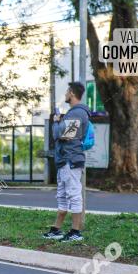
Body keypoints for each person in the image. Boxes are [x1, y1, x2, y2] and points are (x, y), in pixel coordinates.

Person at [42, 82, 92, 243]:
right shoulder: (73, 113)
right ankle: (56, 229)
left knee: (74, 194)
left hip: (70, 159)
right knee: (62, 195)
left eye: (66, 92)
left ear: (71, 93)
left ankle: (75, 232)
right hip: (64, 160)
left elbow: (62, 135)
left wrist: (57, 122)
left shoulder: (77, 113)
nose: (65, 94)